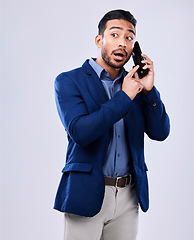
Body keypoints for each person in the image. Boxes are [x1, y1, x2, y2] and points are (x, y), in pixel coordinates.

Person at [54, 9, 170, 240]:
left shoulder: (135, 85)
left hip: (129, 196)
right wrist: (124, 97)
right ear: (99, 40)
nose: (123, 43)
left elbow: (160, 132)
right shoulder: (69, 81)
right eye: (115, 35)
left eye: (129, 37)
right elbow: (81, 132)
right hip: (87, 192)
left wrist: (149, 92)